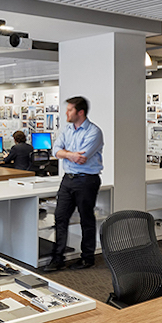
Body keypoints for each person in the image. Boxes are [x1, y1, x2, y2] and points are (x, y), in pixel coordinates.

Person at [44, 96, 104, 272]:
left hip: (86, 180)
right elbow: (56, 150)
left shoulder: (94, 132)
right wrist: (70, 154)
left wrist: (65, 154)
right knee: (60, 217)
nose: (66, 113)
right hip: (68, 180)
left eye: (69, 110)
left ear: (80, 112)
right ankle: (58, 259)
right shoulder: (67, 129)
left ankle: (87, 258)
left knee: (86, 219)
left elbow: (82, 158)